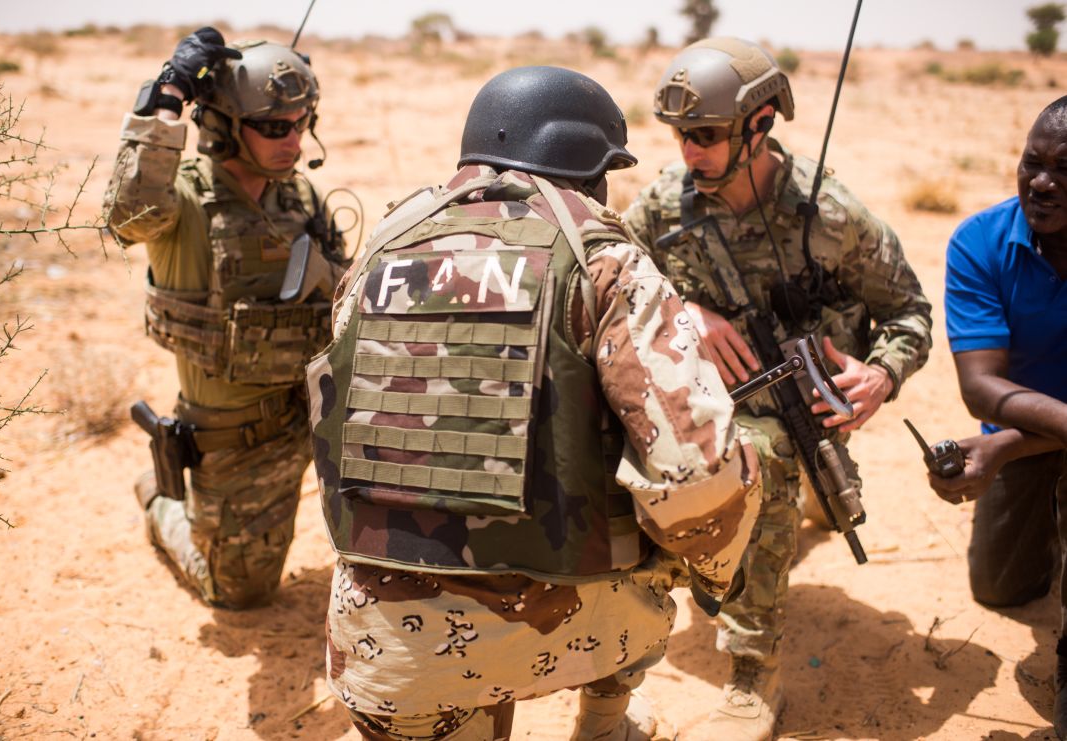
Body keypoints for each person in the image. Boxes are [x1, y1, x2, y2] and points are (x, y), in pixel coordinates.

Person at [305, 65, 763, 741]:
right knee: (663, 529)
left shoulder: (385, 241)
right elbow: (696, 476)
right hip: (570, 625)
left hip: (383, 651)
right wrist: (718, 572)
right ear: (589, 165)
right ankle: (606, 725)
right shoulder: (602, 255)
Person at [623, 38, 932, 740]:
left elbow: (911, 309)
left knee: (769, 460)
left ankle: (752, 674)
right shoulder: (660, 212)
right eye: (678, 135)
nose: (687, 151)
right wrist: (683, 314)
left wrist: (880, 374)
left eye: (704, 135)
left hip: (797, 416)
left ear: (760, 124)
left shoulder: (830, 217)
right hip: (698, 407)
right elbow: (609, 282)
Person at [103, 28, 346, 609]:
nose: (292, 139)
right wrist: (167, 96)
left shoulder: (301, 198)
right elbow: (128, 214)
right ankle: (163, 504)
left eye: (300, 122)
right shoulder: (182, 201)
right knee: (239, 593)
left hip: (315, 413)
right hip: (238, 438)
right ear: (223, 126)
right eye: (273, 126)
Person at [929, 96, 1067, 740]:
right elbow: (982, 390)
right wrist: (1003, 450)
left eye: (1065, 170)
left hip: (1030, 432)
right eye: (1032, 163)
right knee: (1000, 589)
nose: (1042, 182)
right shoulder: (982, 242)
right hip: (1031, 434)